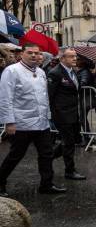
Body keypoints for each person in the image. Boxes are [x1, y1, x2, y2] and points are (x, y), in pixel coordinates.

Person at [0, 42, 66, 197]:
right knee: (16, 155)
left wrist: (48, 117)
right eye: (30, 52)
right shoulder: (12, 71)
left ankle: (46, 184)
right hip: (22, 123)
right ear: (22, 53)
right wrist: (9, 121)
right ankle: (0, 181)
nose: (34, 56)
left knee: (46, 154)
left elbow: (43, 98)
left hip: (41, 123)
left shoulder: (41, 72)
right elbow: (5, 98)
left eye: (37, 53)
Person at [47, 48, 87, 180]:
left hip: (73, 112)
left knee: (72, 140)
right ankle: (69, 171)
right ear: (62, 58)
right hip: (62, 114)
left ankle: (48, 157)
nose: (75, 59)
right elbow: (50, 95)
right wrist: (52, 113)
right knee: (69, 142)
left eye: (75, 56)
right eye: (71, 57)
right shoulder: (55, 73)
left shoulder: (72, 71)